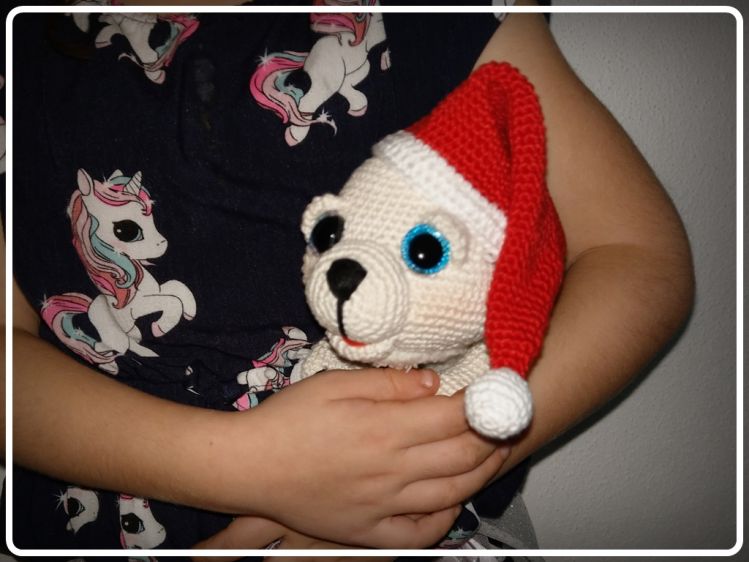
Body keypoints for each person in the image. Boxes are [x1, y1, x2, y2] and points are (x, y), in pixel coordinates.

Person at [4, 0, 694, 557]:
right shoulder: (21, 46)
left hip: (413, 527)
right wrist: (248, 467)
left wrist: (431, 468)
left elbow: (634, 252)